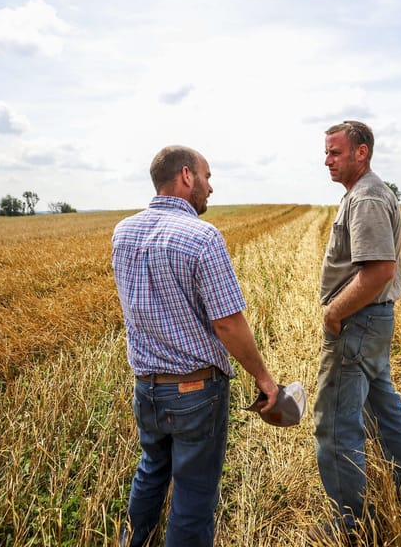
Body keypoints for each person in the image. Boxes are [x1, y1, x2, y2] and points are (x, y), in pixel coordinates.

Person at [112, 145, 279, 547]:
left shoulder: (123, 231)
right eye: (207, 176)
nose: (210, 187)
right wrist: (263, 378)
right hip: (194, 390)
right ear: (186, 176)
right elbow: (227, 323)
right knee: (195, 491)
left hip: (146, 387)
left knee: (152, 469)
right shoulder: (202, 237)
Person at [311, 121, 401, 542]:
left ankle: (352, 523)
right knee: (383, 407)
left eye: (335, 152)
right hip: (372, 322)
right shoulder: (367, 193)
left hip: (358, 322)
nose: (327, 160)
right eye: (326, 153)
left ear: (361, 153)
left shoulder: (365, 198)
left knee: (335, 421)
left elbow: (380, 270)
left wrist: (333, 314)